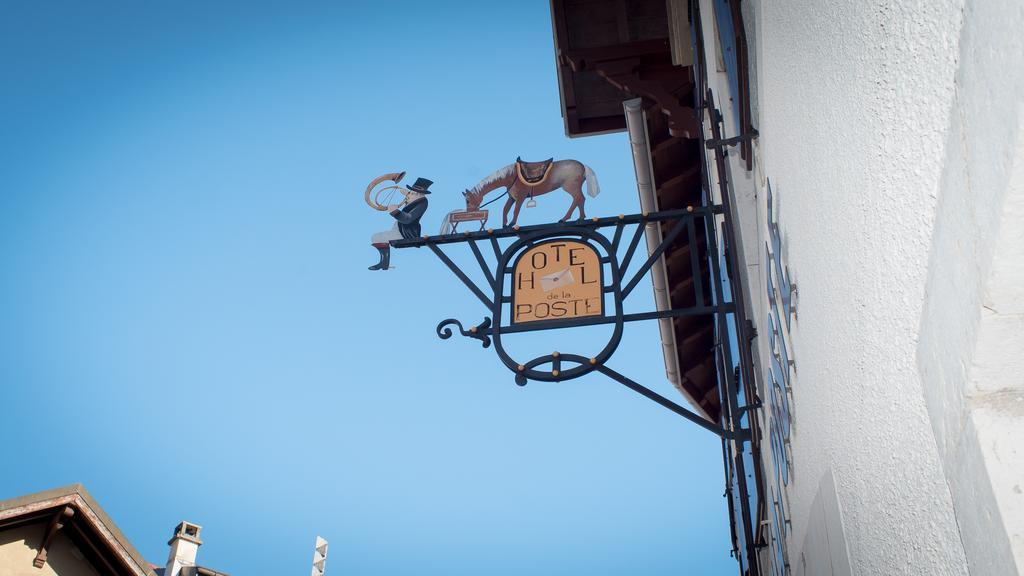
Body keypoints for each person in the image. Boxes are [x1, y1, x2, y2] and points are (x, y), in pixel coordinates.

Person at [368, 177, 432, 270]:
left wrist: (395, 212)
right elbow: (411, 200)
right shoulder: (415, 199)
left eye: (412, 192)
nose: (409, 195)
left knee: (377, 237)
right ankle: (384, 263)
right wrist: (407, 194)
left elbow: (408, 219)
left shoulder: (422, 202)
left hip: (406, 233)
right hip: (399, 229)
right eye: (410, 192)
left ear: (417, 194)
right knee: (376, 237)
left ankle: (384, 263)